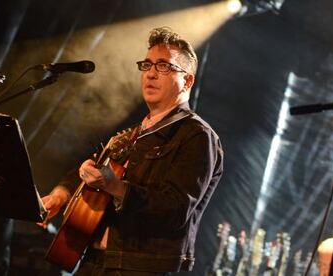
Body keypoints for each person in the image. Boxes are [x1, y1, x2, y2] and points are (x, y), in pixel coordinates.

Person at [41, 26, 224, 275]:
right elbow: (90, 171)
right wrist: (60, 196)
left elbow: (176, 208)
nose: (150, 74)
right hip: (94, 262)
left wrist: (114, 186)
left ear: (187, 80)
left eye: (163, 66)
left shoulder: (196, 136)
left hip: (141, 267)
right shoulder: (131, 135)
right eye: (146, 65)